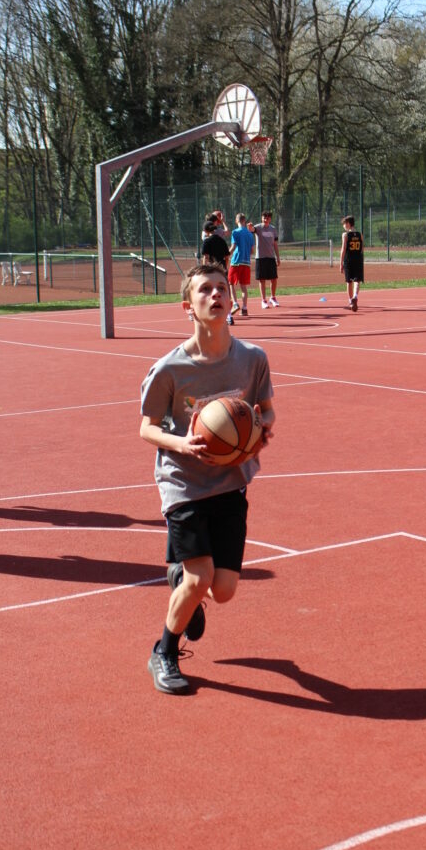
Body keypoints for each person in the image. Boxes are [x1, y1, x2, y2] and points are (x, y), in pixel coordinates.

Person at [140, 263, 275, 694]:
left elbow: (266, 409)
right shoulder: (170, 369)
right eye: (204, 290)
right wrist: (182, 444)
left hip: (231, 480)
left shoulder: (252, 359)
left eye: (221, 288)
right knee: (201, 579)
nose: (216, 294)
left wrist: (260, 430)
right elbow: (147, 428)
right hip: (183, 482)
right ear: (188, 307)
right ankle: (164, 652)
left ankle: (182, 581)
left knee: (224, 590)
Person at [201, 219, 232, 322]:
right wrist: (224, 267)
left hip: (211, 270)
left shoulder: (207, 241)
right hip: (222, 269)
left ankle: (209, 313)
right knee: (224, 291)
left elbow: (206, 257)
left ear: (206, 231)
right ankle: (229, 315)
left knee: (210, 292)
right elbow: (227, 257)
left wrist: (204, 269)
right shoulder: (221, 240)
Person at [228, 213, 255, 318]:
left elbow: (233, 247)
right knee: (243, 287)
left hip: (236, 261)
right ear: (244, 220)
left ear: (236, 220)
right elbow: (252, 251)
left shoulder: (235, 232)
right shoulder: (250, 234)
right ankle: (244, 308)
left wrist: (226, 254)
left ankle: (235, 303)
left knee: (231, 283)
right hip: (246, 262)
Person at [254, 210, 281, 308]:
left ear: (270, 219)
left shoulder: (273, 229)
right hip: (260, 257)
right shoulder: (258, 228)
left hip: (271, 257)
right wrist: (250, 227)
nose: (265, 219)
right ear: (262, 218)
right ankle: (263, 300)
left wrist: (278, 257)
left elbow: (275, 244)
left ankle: (273, 298)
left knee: (274, 279)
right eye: (264, 217)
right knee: (262, 280)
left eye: (268, 218)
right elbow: (252, 229)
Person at [339, 215, 364, 312]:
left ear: (349, 224)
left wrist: (341, 263)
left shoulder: (345, 235)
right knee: (357, 280)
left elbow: (343, 249)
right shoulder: (360, 234)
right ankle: (355, 296)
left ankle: (350, 301)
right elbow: (362, 249)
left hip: (348, 260)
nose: (343, 226)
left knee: (349, 281)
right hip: (358, 260)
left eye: (344, 224)